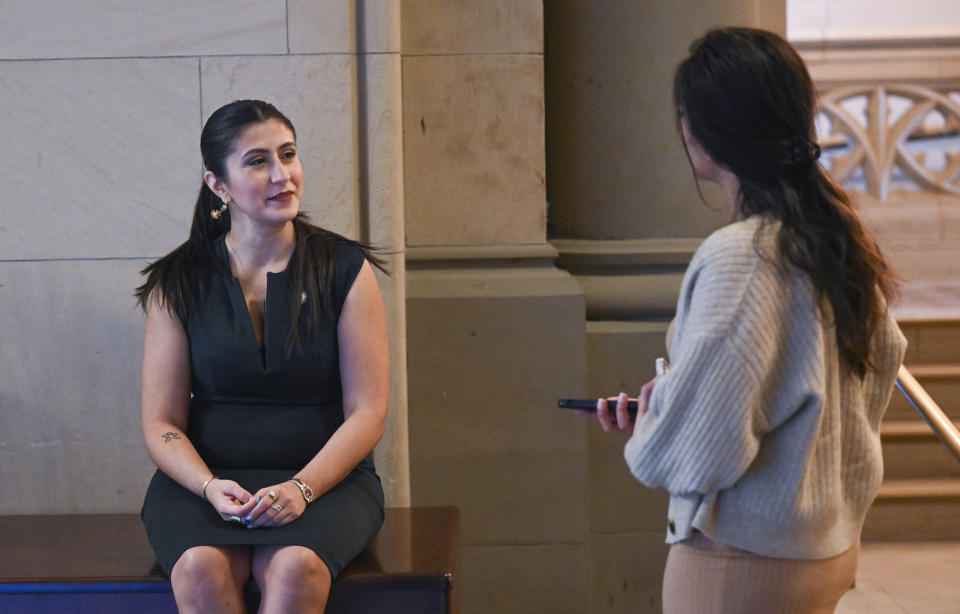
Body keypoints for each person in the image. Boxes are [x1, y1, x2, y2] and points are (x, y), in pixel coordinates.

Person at [592, 28, 907, 613]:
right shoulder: (838, 237)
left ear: (703, 131)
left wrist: (655, 427)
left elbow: (703, 452)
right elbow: (869, 372)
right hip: (823, 545)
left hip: (743, 559)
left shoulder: (744, 255)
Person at [135, 99, 389, 613]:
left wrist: (302, 487)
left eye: (288, 154)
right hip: (205, 484)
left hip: (325, 482)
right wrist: (208, 486)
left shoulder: (344, 268)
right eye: (257, 161)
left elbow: (368, 412)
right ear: (218, 185)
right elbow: (161, 421)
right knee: (199, 568)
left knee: (296, 567)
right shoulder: (177, 281)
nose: (283, 174)